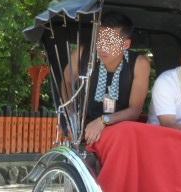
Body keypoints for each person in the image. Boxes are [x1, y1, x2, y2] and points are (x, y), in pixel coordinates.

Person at [63, 12, 151, 145]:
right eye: (100, 40)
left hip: (119, 129)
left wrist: (103, 121)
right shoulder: (82, 55)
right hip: (82, 125)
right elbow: (66, 82)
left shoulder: (139, 63)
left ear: (126, 44)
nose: (103, 47)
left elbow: (135, 110)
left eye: (110, 42)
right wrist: (71, 116)